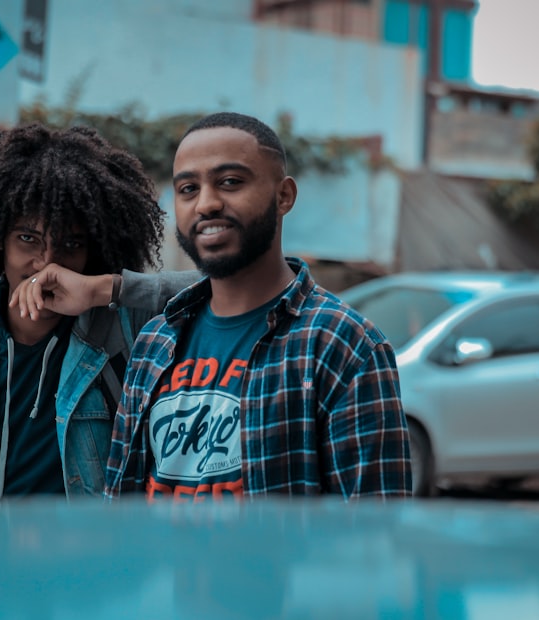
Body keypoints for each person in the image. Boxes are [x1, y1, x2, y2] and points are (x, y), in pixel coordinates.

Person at [0, 123, 198, 506]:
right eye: (28, 239)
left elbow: (235, 286)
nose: (47, 264)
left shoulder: (122, 330)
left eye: (71, 244)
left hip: (80, 562)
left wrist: (105, 289)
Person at [100, 112, 411, 501]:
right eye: (188, 189)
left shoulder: (343, 345)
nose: (206, 204)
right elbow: (118, 505)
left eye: (230, 182)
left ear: (284, 196)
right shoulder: (154, 342)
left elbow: (373, 531)